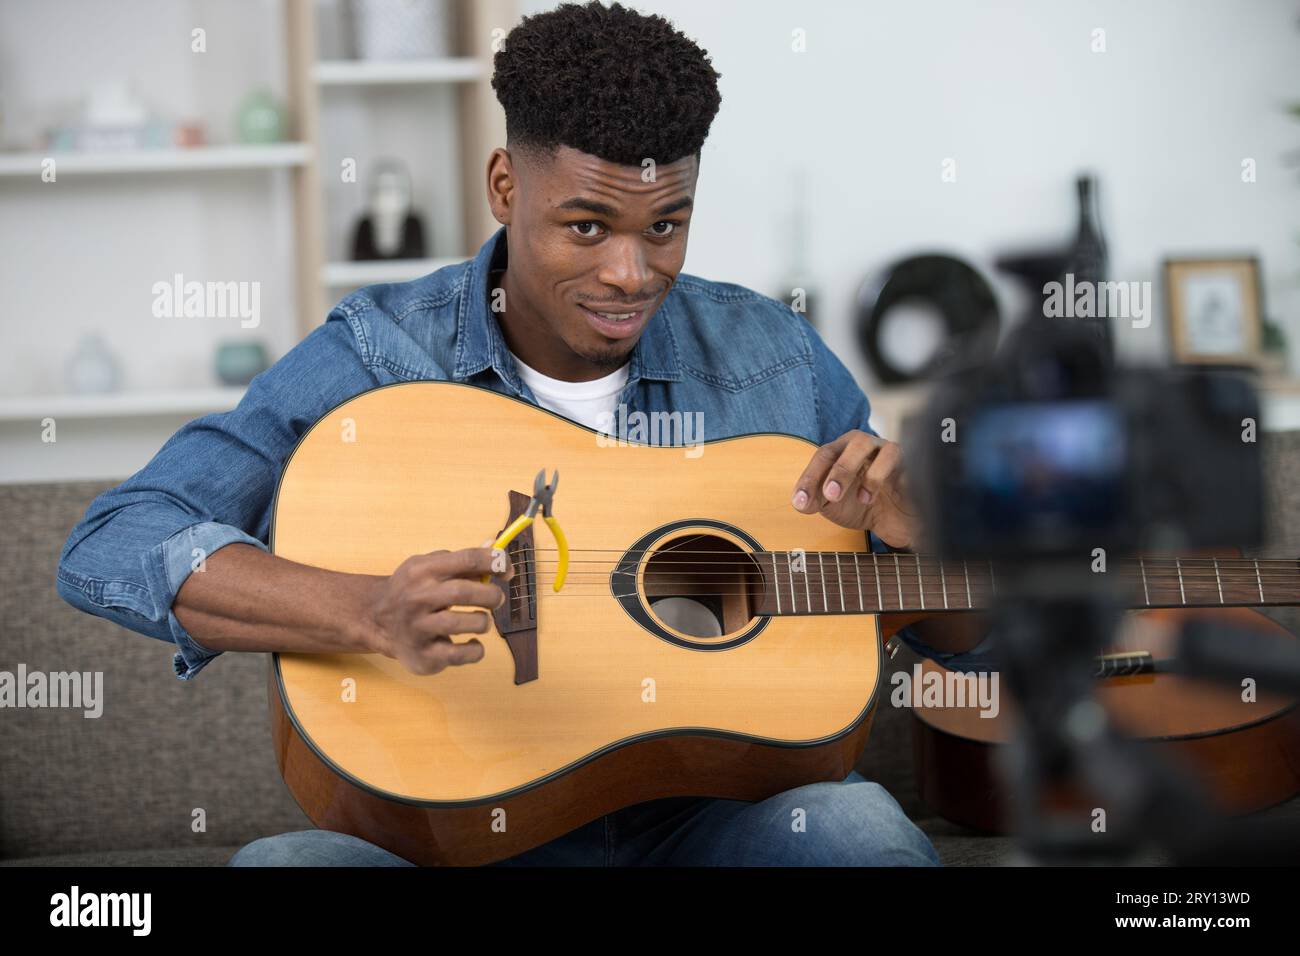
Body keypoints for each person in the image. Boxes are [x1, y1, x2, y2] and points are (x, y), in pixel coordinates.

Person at [57, 1, 982, 867]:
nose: (630, 272)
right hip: (447, 835)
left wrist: (925, 538)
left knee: (857, 828)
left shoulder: (772, 355)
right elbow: (114, 538)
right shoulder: (379, 354)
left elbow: (961, 641)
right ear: (506, 185)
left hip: (713, 825)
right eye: (586, 225)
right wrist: (366, 610)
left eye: (666, 226)